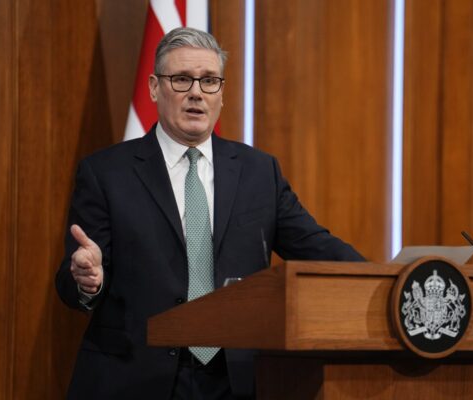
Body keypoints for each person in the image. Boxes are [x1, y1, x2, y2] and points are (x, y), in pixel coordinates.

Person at [56, 27, 364, 400]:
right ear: (154, 88)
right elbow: (72, 282)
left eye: (209, 81)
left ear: (221, 92)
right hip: (134, 376)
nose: (196, 92)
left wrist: (383, 283)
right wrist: (87, 280)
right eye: (181, 79)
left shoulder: (259, 172)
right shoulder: (106, 173)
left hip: (235, 381)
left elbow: (316, 247)